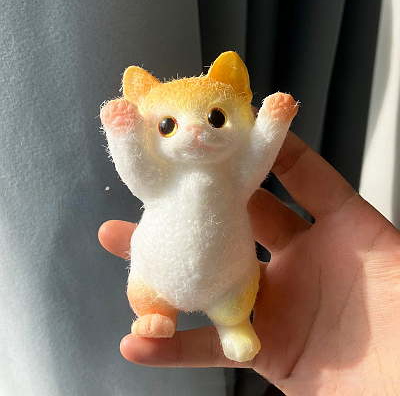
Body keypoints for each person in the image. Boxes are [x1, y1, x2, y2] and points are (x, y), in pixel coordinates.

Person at [99, 130, 400, 395]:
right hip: (156, 278)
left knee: (238, 295)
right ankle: (157, 314)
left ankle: (233, 325)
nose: (195, 132)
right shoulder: (161, 179)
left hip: (229, 283)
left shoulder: (233, 179)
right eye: (168, 126)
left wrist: (273, 125)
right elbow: (137, 174)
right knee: (145, 287)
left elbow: (256, 162)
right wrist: (121, 133)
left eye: (216, 118)